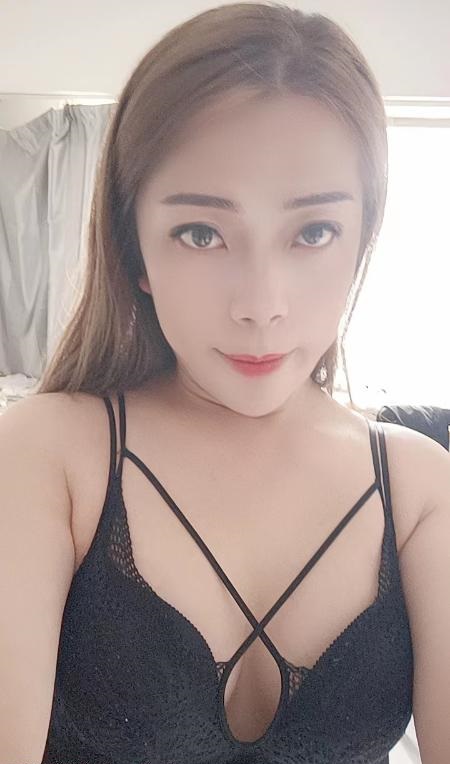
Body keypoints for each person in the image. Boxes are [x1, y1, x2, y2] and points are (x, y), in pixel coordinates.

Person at [1, 3, 449, 763]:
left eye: (313, 232)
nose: (261, 306)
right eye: (202, 233)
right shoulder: (49, 455)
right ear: (135, 250)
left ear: (361, 238)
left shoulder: (419, 487)